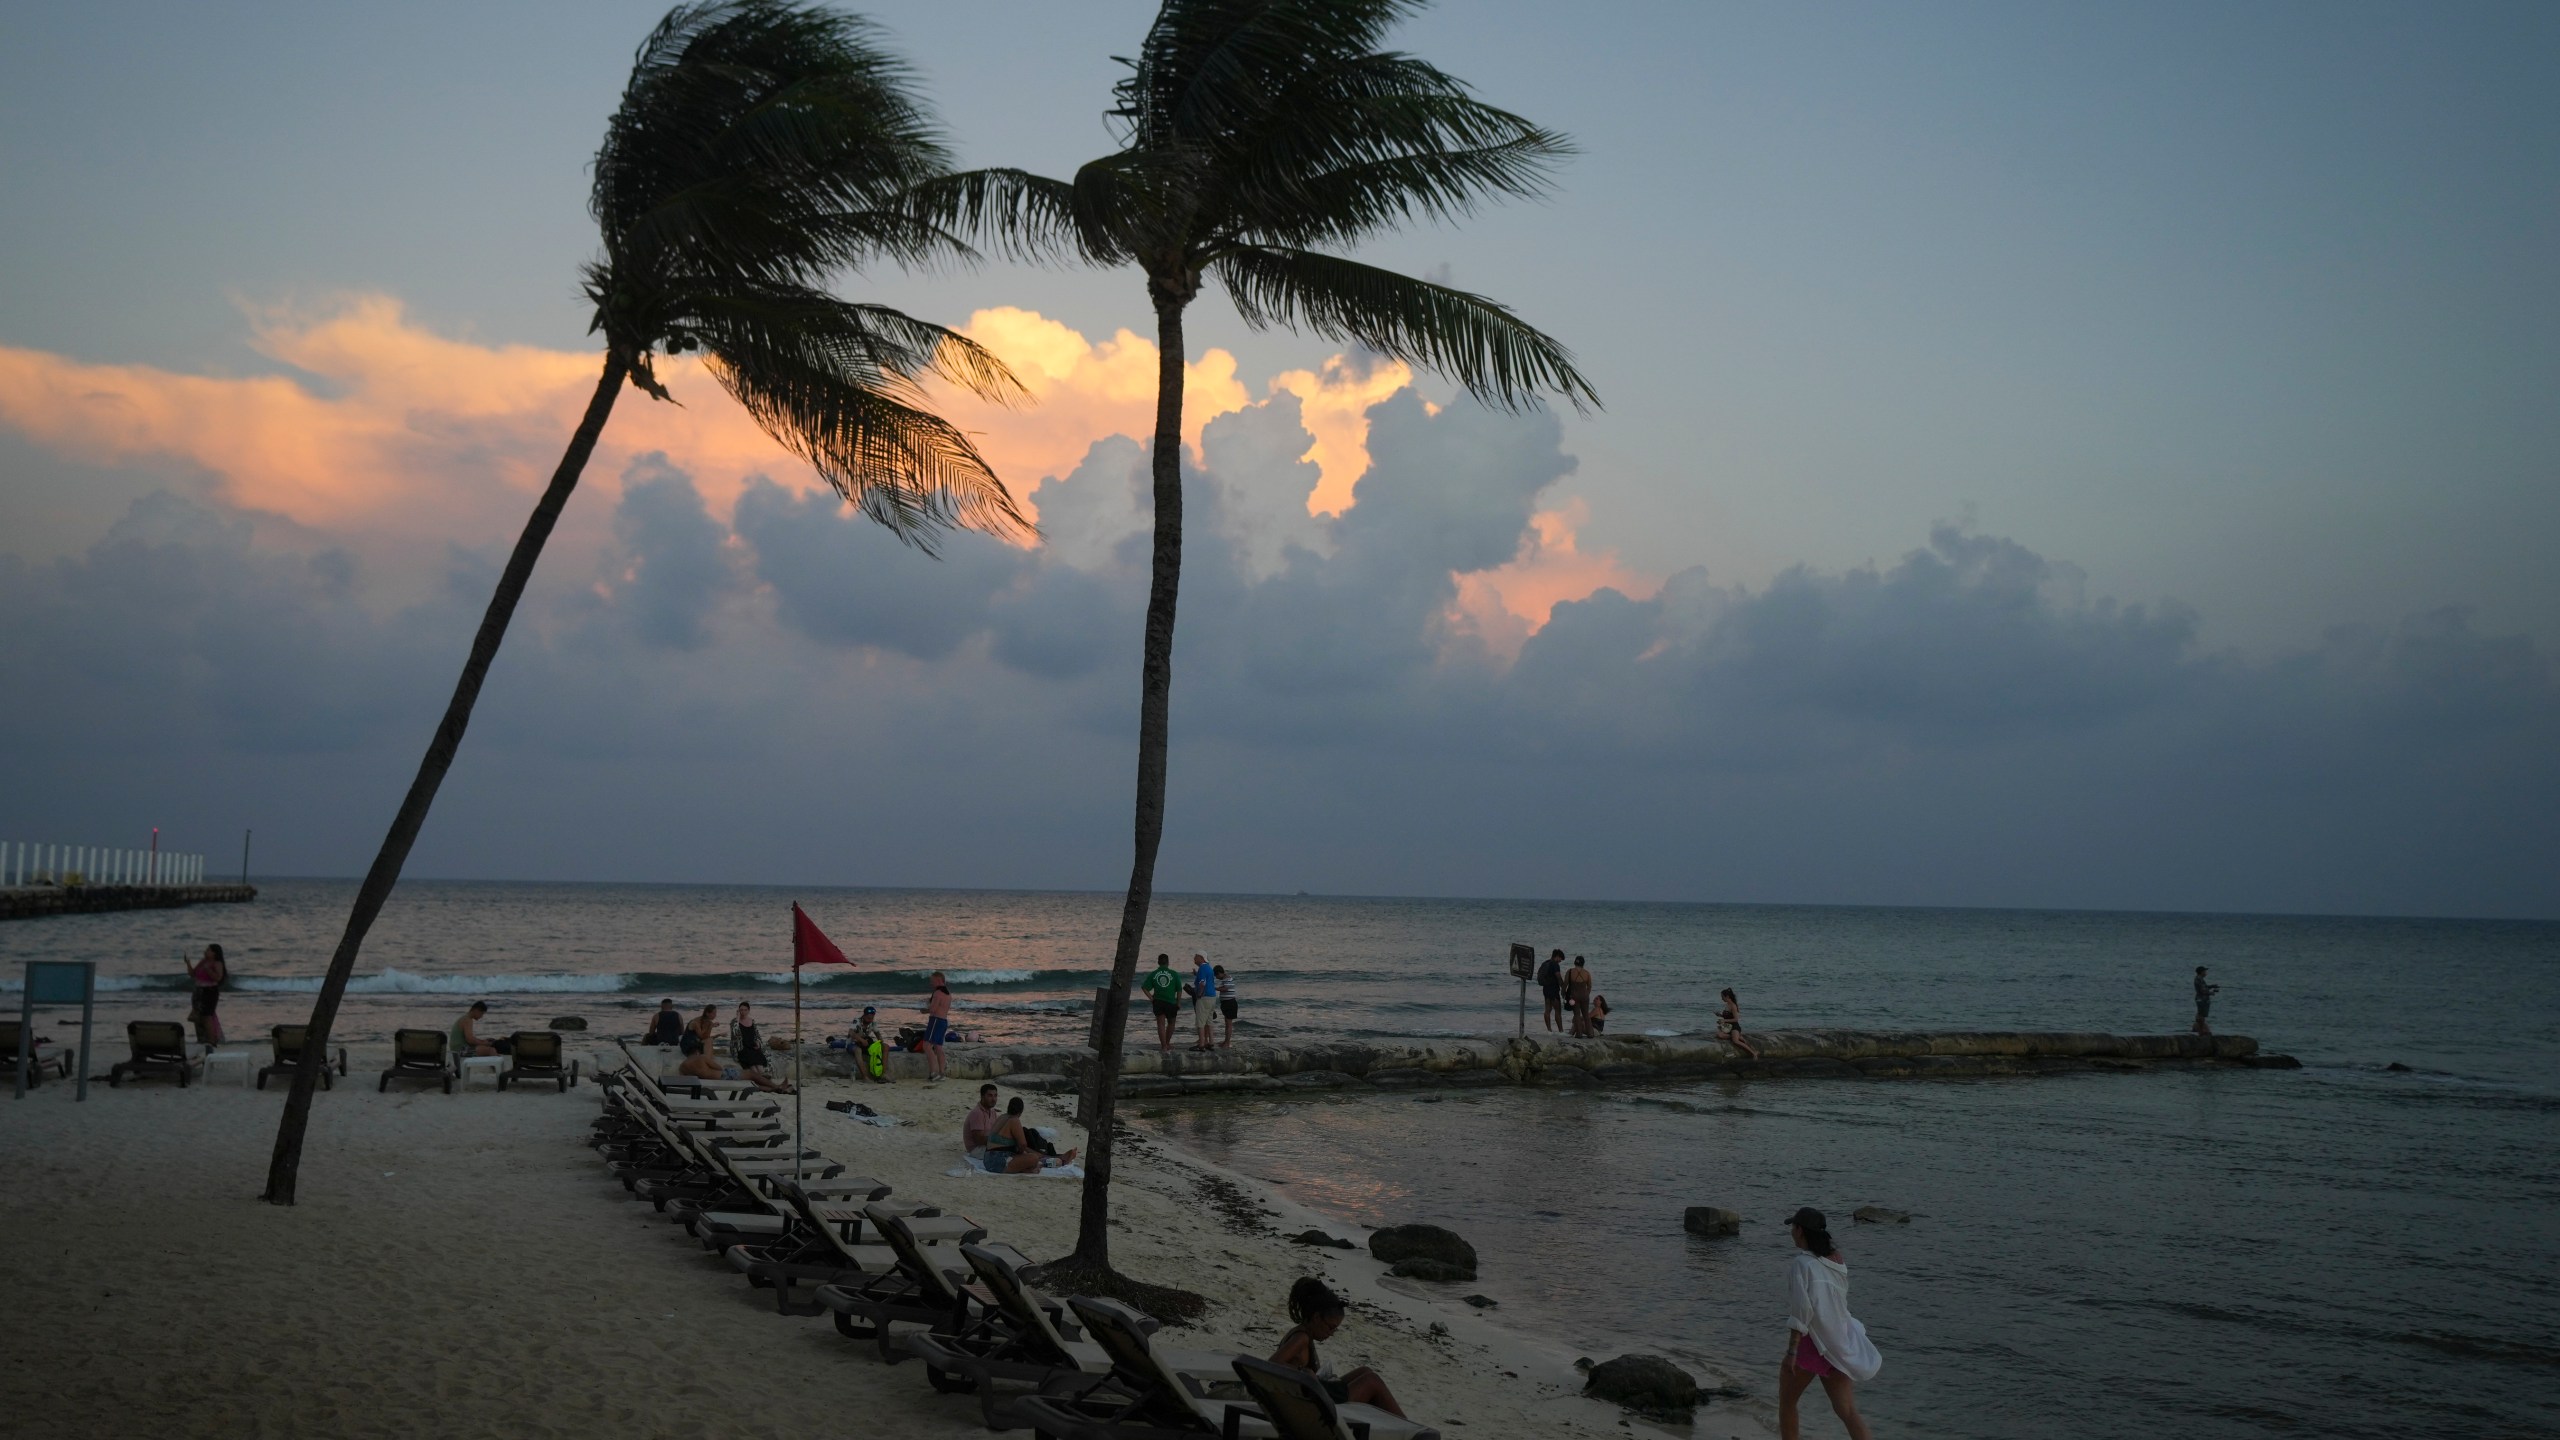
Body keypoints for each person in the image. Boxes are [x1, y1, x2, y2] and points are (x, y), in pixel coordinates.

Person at [1779, 1206, 1880, 1440]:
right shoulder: (1837, 1261)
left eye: (1793, 1228)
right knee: (1847, 1411)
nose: (1791, 1233)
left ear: (1800, 1230)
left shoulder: (1801, 1265)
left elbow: (1802, 1312)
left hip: (1812, 1343)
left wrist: (1791, 1352)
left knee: (1787, 1404)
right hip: (1839, 1342)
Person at [1271, 1277, 1407, 1419]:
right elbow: (1272, 1363)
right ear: (1317, 1318)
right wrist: (1303, 1371)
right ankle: (1409, 1428)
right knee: (1372, 1381)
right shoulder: (1301, 1338)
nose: (1330, 1333)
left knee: (1365, 1371)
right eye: (1330, 1327)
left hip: (1312, 1395)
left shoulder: (1300, 1333)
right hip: (1313, 1406)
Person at [985, 1096, 1079, 1173]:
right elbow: (1023, 1145)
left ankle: (1056, 1157)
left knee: (1031, 1153)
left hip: (988, 1159)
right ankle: (1056, 1161)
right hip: (997, 1162)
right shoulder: (1014, 1120)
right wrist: (1025, 1154)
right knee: (1033, 1158)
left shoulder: (1002, 1117)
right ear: (1021, 1112)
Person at [729, 1000, 793, 1093]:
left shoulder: (752, 1021)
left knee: (760, 1069)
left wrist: (758, 1043)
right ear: (738, 1011)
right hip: (742, 1048)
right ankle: (776, 1087)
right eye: (741, 1010)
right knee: (754, 1069)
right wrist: (737, 1019)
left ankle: (774, 1087)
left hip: (752, 1047)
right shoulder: (734, 1022)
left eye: (745, 1010)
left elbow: (757, 1036)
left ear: (748, 1010)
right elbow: (735, 1034)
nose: (743, 1012)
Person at [185, 943, 228, 1048]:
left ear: (214, 953)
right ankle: (202, 1039)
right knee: (197, 1017)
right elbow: (192, 974)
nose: (205, 951)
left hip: (209, 991)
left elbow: (218, 978)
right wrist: (188, 963)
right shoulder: (203, 961)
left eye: (208, 950)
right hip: (198, 990)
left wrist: (208, 969)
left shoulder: (217, 963)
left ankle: (212, 1041)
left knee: (207, 1016)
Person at [1141, 954, 1184, 1053]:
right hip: (1170, 1002)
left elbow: (1144, 987)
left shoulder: (1154, 974)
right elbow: (1179, 990)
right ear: (1168, 962)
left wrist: (1152, 999)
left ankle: (1164, 1046)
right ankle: (1167, 1043)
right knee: (1171, 1023)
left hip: (1158, 1001)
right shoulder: (1174, 974)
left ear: (1158, 962)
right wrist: (1178, 1002)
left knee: (1161, 1024)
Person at [677, 1003, 724, 1080]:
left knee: (709, 1041)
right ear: (707, 1013)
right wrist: (711, 1026)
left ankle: (707, 1064)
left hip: (697, 1043)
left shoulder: (708, 1022)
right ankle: (708, 1065)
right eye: (713, 1013)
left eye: (716, 1013)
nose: (715, 1015)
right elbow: (701, 1036)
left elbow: (707, 1037)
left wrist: (716, 1032)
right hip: (688, 1044)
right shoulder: (696, 1022)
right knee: (707, 1043)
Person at [922, 971, 954, 1083]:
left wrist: (924, 1009)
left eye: (932, 980)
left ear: (939, 980)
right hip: (944, 1021)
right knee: (938, 1047)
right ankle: (942, 1073)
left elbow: (933, 1009)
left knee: (926, 1045)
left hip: (935, 1020)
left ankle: (934, 1073)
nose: (931, 983)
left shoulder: (937, 993)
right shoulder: (948, 994)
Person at [1718, 988, 1761, 1060]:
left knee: (1735, 1041)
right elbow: (1727, 1016)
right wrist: (1719, 1015)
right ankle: (1737, 1037)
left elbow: (1736, 1019)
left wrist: (1724, 1020)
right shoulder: (1727, 1004)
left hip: (1734, 1027)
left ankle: (1753, 1053)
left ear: (1727, 996)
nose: (1721, 998)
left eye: (1722, 997)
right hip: (1728, 1027)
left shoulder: (1733, 1006)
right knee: (1719, 1035)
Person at [849, 1006, 890, 1083]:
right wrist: (861, 1039)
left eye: (871, 1018)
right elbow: (851, 1032)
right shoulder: (856, 1021)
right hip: (853, 1043)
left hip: (865, 1044)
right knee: (858, 1050)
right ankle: (865, 1077)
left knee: (886, 1046)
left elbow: (878, 1034)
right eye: (868, 1018)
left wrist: (880, 1042)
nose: (870, 1020)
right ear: (864, 1015)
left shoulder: (873, 1023)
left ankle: (884, 1074)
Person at [963, 1083, 1001, 1160]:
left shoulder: (993, 1112)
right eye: (990, 1095)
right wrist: (1001, 1142)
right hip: (976, 1150)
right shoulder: (977, 1113)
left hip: (988, 1146)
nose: (993, 1099)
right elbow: (980, 1140)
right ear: (982, 1096)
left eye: (995, 1096)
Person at [1189, 953, 1218, 1052]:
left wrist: (1199, 995)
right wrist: (1196, 974)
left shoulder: (1202, 968)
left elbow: (1202, 983)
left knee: (1200, 1022)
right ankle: (1211, 1043)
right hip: (1212, 997)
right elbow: (1207, 979)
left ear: (1201, 958)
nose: (1194, 958)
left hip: (1204, 997)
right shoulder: (1208, 968)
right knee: (1209, 1020)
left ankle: (1201, 1044)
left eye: (1195, 957)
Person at [1536, 949, 1565, 1033]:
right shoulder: (1555, 964)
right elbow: (1558, 977)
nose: (1560, 961)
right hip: (1553, 989)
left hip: (1546, 989)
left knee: (1547, 1010)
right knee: (1558, 1010)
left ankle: (1549, 1031)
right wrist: (1563, 988)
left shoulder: (1545, 963)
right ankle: (1561, 1031)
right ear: (1557, 956)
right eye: (1560, 959)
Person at [1564, 956, 1594, 1037]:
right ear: (1583, 964)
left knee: (1577, 1015)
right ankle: (1590, 1034)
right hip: (1584, 996)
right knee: (1586, 1015)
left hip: (1574, 996)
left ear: (1574, 963)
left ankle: (1579, 1034)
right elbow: (1589, 986)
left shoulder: (1570, 972)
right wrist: (1587, 994)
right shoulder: (1587, 973)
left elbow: (1565, 984)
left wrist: (1563, 993)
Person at [1213, 964, 1239, 1047]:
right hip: (1227, 1003)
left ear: (1219, 973)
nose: (1216, 977)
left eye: (1216, 975)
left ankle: (1227, 1042)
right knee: (1227, 1023)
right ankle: (1226, 1041)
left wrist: (1215, 988)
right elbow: (1225, 987)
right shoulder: (1226, 978)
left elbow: (1225, 989)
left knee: (1229, 1024)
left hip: (1229, 1003)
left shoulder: (1226, 979)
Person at [2192, 966, 2220, 1037]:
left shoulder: (2199, 979)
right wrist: (2211, 993)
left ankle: (2200, 1030)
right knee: (2201, 1015)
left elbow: (2204, 987)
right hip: (2202, 999)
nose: (2206, 973)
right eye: (2205, 971)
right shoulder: (2199, 979)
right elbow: (2202, 991)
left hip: (2201, 999)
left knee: (2201, 1014)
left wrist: (2212, 986)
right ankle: (2201, 1031)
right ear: (2201, 972)